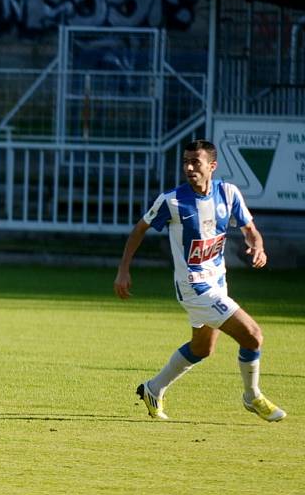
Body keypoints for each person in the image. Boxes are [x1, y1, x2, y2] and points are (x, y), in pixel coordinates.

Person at [114, 139, 286, 422]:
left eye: (196, 162)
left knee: (202, 348)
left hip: (218, 283)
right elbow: (140, 229)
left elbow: (250, 229)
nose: (189, 167)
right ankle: (252, 396)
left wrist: (258, 246)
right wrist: (124, 269)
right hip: (195, 288)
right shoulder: (172, 201)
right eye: (186, 162)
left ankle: (153, 389)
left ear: (212, 166)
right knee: (253, 335)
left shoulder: (228, 194)